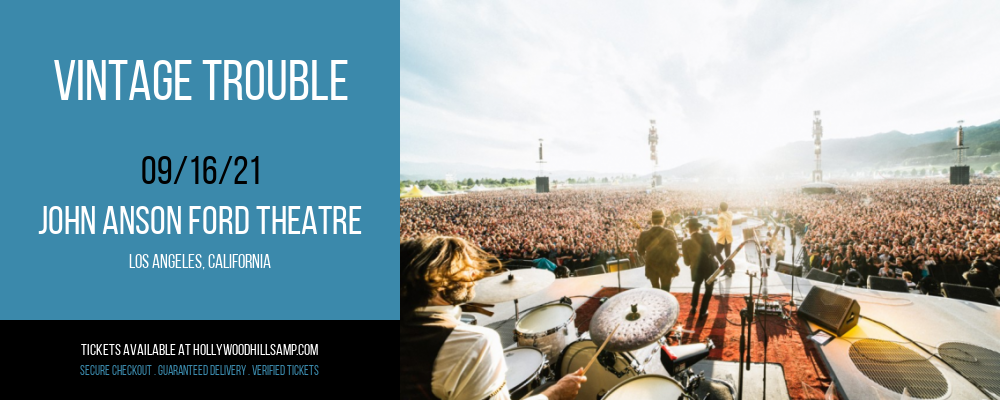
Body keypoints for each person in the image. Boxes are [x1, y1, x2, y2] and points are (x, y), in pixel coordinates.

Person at [400, 236, 587, 400]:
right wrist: (555, 394)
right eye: (464, 268)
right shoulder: (474, 342)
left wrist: (452, 307)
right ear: (435, 279)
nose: (475, 274)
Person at [683, 218, 724, 318]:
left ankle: (693, 307)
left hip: (696, 268)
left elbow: (687, 263)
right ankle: (703, 311)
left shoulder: (686, 242)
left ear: (689, 229)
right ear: (698, 227)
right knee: (709, 288)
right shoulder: (707, 236)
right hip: (709, 266)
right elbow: (715, 252)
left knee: (697, 285)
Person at [636, 209, 680, 291]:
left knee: (656, 291)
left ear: (652, 220)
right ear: (663, 219)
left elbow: (640, 252)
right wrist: (672, 263)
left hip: (651, 266)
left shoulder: (644, 234)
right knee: (666, 292)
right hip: (666, 266)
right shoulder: (669, 232)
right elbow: (675, 253)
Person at [712, 202, 734, 277]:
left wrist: (712, 228)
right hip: (729, 237)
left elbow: (722, 228)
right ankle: (729, 271)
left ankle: (726, 268)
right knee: (728, 255)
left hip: (723, 238)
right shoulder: (730, 214)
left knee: (716, 252)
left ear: (720, 208)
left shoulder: (721, 216)